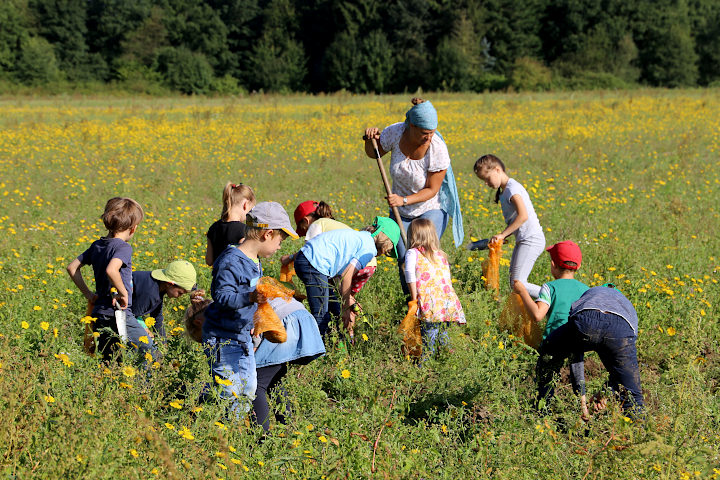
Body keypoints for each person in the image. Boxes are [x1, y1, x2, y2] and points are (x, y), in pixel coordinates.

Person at [201, 202, 298, 420]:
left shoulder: (255, 261)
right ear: (267, 234)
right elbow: (221, 295)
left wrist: (257, 322)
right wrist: (250, 297)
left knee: (248, 389)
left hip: (242, 334)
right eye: (280, 241)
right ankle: (222, 429)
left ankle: (231, 428)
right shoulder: (230, 261)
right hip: (223, 337)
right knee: (230, 392)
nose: (280, 247)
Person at [185, 293, 325, 433]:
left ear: (199, 322)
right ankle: (287, 428)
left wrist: (254, 346)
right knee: (272, 381)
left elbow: (250, 327)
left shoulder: (222, 314)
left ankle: (260, 436)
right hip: (301, 320)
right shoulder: (225, 304)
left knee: (255, 383)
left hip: (282, 323)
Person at [364, 98, 464, 292]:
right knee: (404, 261)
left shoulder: (437, 148)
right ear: (411, 126)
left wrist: (404, 200)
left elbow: (432, 189)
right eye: (424, 133)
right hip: (400, 210)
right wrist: (370, 141)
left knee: (422, 256)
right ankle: (412, 306)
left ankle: (435, 302)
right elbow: (373, 153)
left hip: (430, 208)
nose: (429, 137)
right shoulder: (395, 132)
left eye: (432, 132)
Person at [538, 284, 645, 419]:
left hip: (586, 318)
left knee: (548, 350)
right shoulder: (624, 302)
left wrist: (584, 401)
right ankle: (638, 432)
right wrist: (607, 392)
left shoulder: (592, 293)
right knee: (632, 394)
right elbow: (619, 370)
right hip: (620, 330)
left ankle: (542, 410)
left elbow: (575, 355)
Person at [288, 216, 400, 337]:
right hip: (313, 263)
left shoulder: (361, 238)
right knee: (321, 315)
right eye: (387, 251)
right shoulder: (369, 248)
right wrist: (346, 309)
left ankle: (337, 343)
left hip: (308, 260)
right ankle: (315, 352)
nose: (384, 254)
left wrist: (347, 301)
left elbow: (339, 277)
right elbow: (347, 275)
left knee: (335, 309)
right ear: (386, 244)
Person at [513, 241, 590, 418]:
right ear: (577, 266)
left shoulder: (550, 287)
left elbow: (538, 315)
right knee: (577, 367)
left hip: (555, 339)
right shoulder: (586, 289)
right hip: (577, 338)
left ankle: (543, 410)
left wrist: (523, 291)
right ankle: (583, 408)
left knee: (546, 374)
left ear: (553, 265)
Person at [66, 197, 148, 361]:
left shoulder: (97, 245)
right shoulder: (123, 247)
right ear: (133, 229)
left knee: (111, 361)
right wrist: (123, 293)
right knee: (149, 351)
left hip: (100, 314)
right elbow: (112, 270)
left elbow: (72, 267)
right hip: (118, 313)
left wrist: (89, 295)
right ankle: (145, 384)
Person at [474, 154, 546, 298]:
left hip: (531, 239)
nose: (486, 184)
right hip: (524, 239)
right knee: (514, 282)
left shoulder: (512, 189)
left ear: (497, 170)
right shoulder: (505, 191)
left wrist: (503, 234)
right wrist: (505, 236)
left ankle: (553, 297)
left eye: (487, 179)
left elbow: (523, 216)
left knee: (518, 283)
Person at [286, 200, 378, 296]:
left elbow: (310, 255)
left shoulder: (316, 225)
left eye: (303, 230)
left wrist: (290, 258)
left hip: (351, 265)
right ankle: (354, 310)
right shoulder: (334, 224)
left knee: (338, 294)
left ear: (306, 221)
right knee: (346, 301)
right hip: (369, 263)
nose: (305, 234)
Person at [404, 218, 465, 356]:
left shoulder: (413, 253)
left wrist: (414, 298)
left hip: (431, 304)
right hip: (447, 303)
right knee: (442, 334)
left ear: (412, 235)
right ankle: (449, 359)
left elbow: (409, 273)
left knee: (428, 341)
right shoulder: (440, 254)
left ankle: (425, 369)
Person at [131, 260, 203, 338]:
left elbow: (157, 316)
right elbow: (132, 316)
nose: (180, 296)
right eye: (180, 293)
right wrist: (146, 330)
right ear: (169, 284)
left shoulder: (159, 286)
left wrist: (162, 341)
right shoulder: (150, 293)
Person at [205, 183, 256, 266]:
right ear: (245, 205)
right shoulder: (243, 231)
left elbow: (209, 261)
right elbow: (245, 262)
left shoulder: (213, 228)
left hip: (218, 277)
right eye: (251, 209)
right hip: (235, 278)